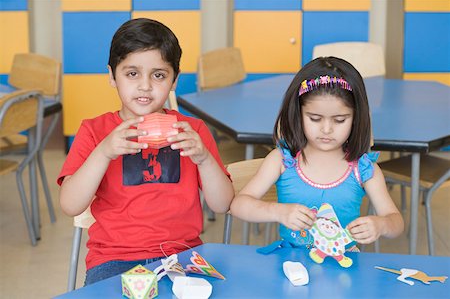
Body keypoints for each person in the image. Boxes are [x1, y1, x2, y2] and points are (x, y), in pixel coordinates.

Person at [58, 18, 234, 285]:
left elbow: (222, 204)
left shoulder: (193, 131)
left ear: (174, 80)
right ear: (111, 76)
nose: (145, 86)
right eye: (132, 73)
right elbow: (71, 205)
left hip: (183, 255)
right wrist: (104, 151)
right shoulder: (95, 131)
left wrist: (204, 159)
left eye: (159, 75)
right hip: (114, 258)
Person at [230, 57, 404, 265]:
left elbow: (396, 222)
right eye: (314, 118)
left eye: (340, 120)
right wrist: (278, 212)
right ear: (298, 113)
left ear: (356, 118)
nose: (327, 129)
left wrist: (381, 225)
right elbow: (239, 205)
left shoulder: (363, 168)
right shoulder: (282, 161)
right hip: (292, 264)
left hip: (345, 265)